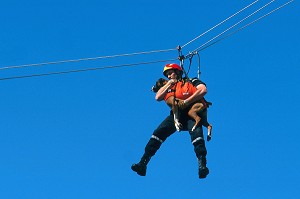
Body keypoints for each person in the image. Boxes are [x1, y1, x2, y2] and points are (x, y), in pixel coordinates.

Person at [131, 63, 210, 178]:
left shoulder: (191, 81)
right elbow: (158, 97)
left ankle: (202, 164)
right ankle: (143, 163)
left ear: (178, 72)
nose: (169, 76)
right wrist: (168, 84)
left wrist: (187, 101)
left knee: (197, 133)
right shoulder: (169, 86)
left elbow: (203, 90)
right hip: (176, 115)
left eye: (170, 73)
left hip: (190, 113)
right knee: (158, 132)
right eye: (167, 75)